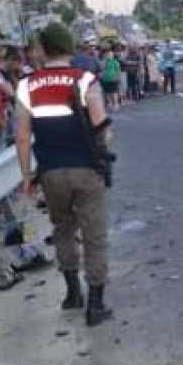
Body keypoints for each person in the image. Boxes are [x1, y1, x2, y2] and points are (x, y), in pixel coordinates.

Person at [14, 23, 113, 327]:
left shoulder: (26, 85)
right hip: (86, 168)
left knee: (63, 229)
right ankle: (95, 304)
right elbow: (103, 128)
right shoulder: (85, 79)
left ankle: (72, 293)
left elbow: (21, 136)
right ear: (69, 47)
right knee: (94, 235)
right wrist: (103, 153)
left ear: (43, 49)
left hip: (50, 171)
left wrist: (27, 177)